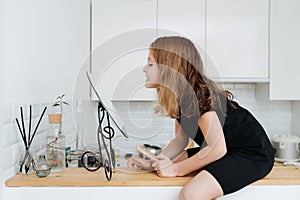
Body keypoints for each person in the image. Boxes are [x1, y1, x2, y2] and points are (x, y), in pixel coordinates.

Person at [128, 36, 276, 200]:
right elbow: (180, 140)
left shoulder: (200, 99)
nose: (144, 69)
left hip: (251, 154)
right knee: (180, 159)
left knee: (190, 194)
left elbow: (217, 149)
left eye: (150, 64)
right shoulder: (181, 98)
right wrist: (155, 162)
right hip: (226, 149)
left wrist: (175, 170)